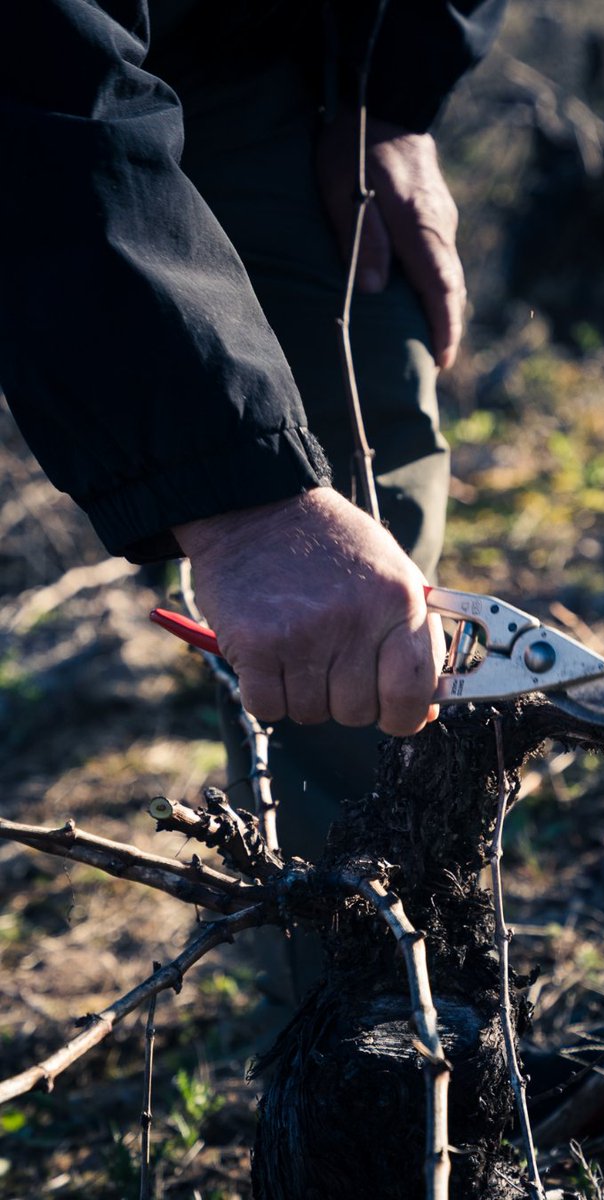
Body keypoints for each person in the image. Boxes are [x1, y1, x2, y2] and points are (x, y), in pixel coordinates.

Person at [1, 0, 505, 852]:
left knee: (373, 569)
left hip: (286, 62)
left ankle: (362, 921)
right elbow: (37, 90)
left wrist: (393, 91)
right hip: (51, 73)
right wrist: (244, 508)